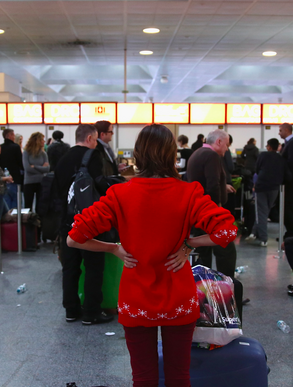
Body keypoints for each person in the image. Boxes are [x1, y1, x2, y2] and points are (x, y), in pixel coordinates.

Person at [66, 124, 237, 387]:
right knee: (179, 376)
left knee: (143, 377)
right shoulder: (188, 192)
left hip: (136, 297)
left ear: (138, 154)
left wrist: (114, 248)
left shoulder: (119, 194)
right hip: (178, 295)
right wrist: (189, 244)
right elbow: (226, 232)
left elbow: (74, 238)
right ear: (171, 154)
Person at [54, 124, 111, 325]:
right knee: (93, 266)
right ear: (88, 138)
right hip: (89, 221)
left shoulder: (62, 159)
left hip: (67, 221)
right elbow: (100, 185)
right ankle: (91, 312)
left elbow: (58, 190)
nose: (96, 144)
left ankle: (71, 310)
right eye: (95, 140)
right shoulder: (92, 156)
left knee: (70, 268)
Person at [186, 129, 237, 277]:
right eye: (226, 145)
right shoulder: (212, 156)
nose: (227, 149)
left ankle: (204, 288)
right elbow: (212, 185)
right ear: (219, 141)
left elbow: (202, 180)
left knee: (204, 251)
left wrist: (223, 187)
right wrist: (218, 208)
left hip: (197, 211)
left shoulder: (197, 153)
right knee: (226, 248)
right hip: (209, 212)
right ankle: (227, 289)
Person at [245, 138, 289, 246]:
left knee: (261, 212)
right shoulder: (281, 158)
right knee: (265, 211)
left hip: (262, 186)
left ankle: (263, 238)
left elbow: (257, 169)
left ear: (268, 146)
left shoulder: (263, 155)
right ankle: (254, 232)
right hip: (274, 188)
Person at [279, 123, 293, 238]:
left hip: (291, 178)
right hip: (290, 177)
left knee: (286, 205)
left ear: (287, 130)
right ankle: (291, 231)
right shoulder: (290, 142)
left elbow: (292, 161)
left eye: (280, 130)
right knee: (288, 204)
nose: (279, 133)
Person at [0, 129, 24, 211]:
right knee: (16, 200)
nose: (14, 137)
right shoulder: (15, 147)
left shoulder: (0, 147)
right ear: (9, 136)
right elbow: (20, 162)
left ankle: (8, 216)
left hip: (3, 178)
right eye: (13, 135)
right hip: (15, 178)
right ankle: (15, 218)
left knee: (6, 200)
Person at [22, 132, 49, 210]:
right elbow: (27, 168)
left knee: (39, 205)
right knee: (28, 205)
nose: (44, 142)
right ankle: (28, 221)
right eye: (42, 140)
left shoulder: (44, 154)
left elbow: (47, 169)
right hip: (29, 182)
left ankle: (38, 220)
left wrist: (35, 167)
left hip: (40, 182)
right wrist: (41, 168)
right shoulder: (26, 153)